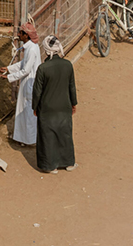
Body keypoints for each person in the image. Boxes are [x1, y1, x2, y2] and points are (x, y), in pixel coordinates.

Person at [31, 36, 76, 174]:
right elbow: (72, 87)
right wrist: (73, 103)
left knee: (48, 136)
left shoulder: (43, 68)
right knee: (65, 134)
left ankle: (51, 165)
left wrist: (35, 107)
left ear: (46, 50)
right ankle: (68, 163)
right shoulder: (68, 65)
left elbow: (37, 91)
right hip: (64, 106)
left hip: (47, 108)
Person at [2, 23, 41, 147]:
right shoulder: (30, 47)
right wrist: (8, 69)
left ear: (26, 35)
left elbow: (26, 70)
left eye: (21, 33)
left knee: (28, 112)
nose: (18, 35)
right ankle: (23, 138)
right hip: (27, 82)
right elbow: (23, 64)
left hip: (30, 82)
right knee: (24, 111)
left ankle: (29, 140)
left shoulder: (33, 49)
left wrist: (9, 77)